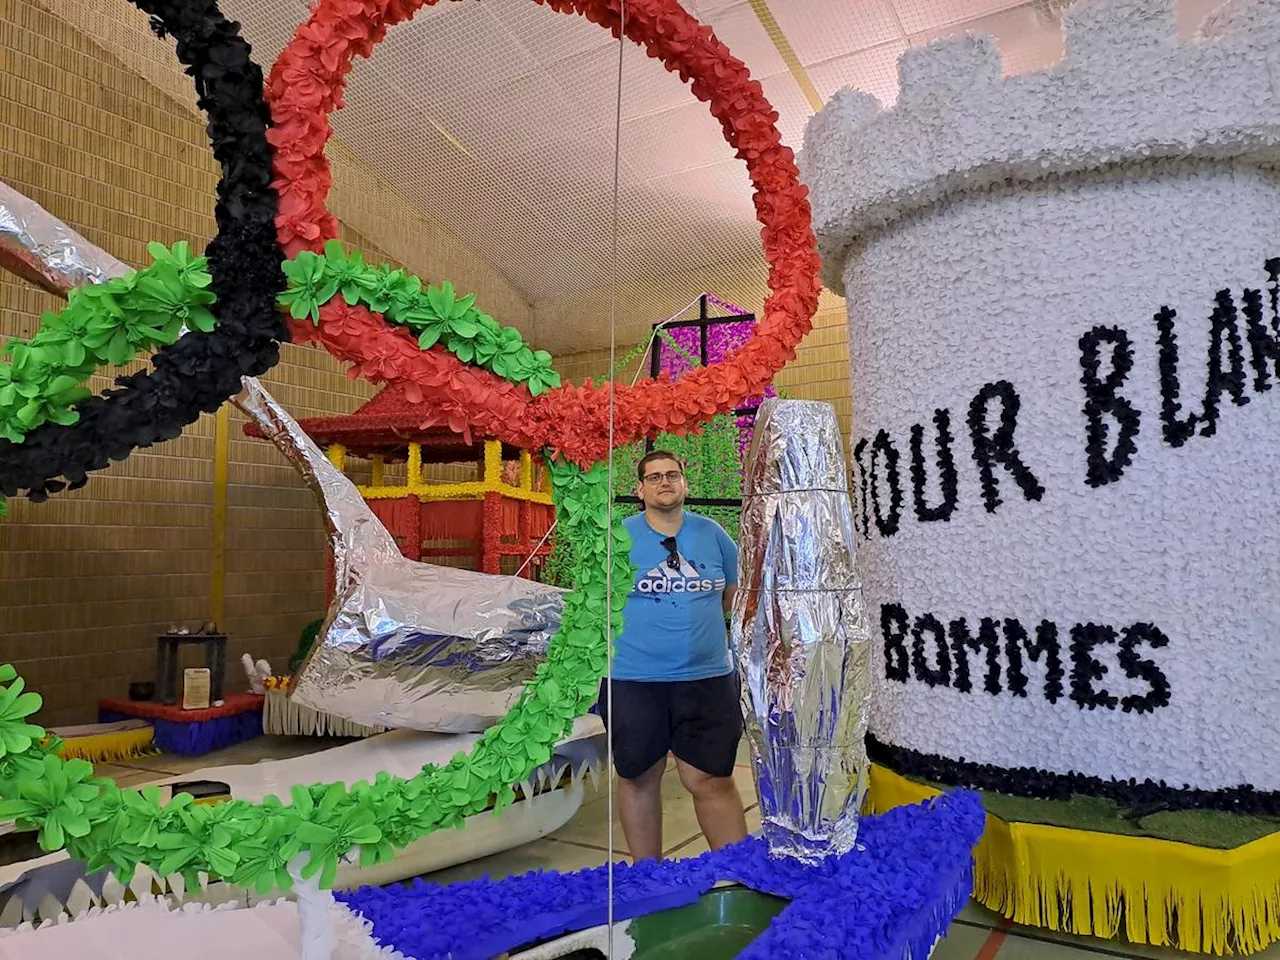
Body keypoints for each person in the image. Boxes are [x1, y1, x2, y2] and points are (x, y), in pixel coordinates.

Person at [597, 449, 748, 860]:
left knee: (711, 779)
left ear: (685, 483)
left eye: (672, 475)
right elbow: (594, 604)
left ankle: (741, 876)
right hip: (633, 680)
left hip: (707, 680)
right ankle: (650, 878)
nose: (664, 482)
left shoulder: (713, 534)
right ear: (639, 489)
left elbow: (734, 596)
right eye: (654, 477)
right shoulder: (618, 538)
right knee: (638, 777)